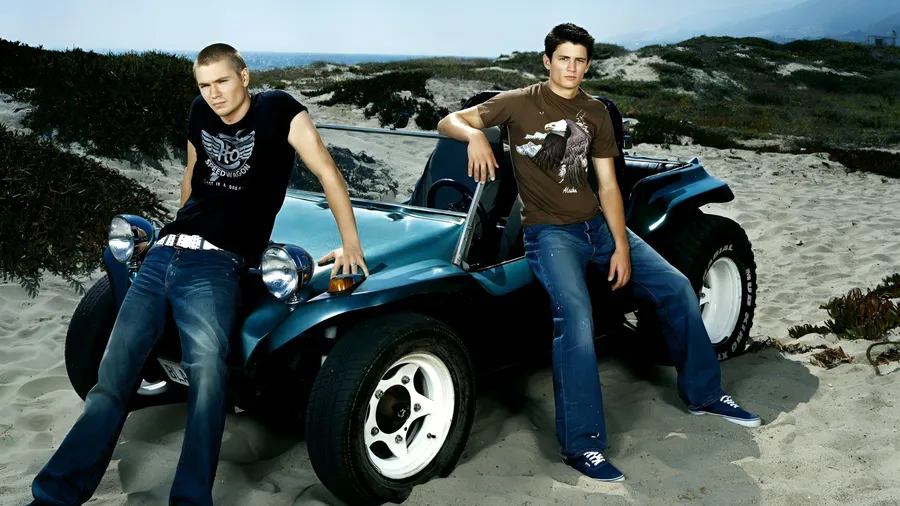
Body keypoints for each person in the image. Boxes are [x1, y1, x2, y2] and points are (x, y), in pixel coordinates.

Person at [29, 43, 368, 506]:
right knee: (112, 379)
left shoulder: (279, 110)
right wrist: (179, 223)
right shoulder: (200, 111)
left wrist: (351, 243)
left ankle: (190, 500)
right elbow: (193, 172)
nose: (213, 93)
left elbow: (327, 171)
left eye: (222, 81)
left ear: (244, 77)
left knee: (207, 380)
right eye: (204, 85)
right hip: (164, 254)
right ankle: (54, 496)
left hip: (216, 265)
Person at [436, 23, 760, 482]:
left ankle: (705, 395)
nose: (571, 68)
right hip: (550, 234)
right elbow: (448, 120)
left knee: (675, 287)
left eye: (579, 60)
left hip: (598, 227)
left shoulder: (595, 113)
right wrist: (472, 135)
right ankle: (583, 446)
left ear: (587, 65)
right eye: (562, 59)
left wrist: (621, 246)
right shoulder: (518, 102)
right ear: (547, 61)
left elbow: (607, 185)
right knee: (577, 320)